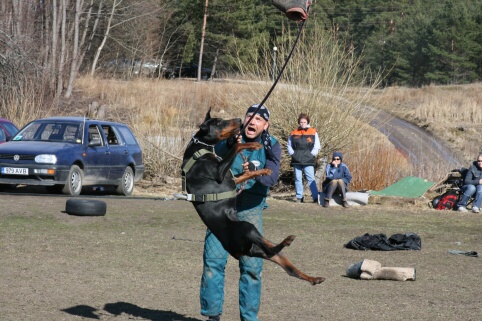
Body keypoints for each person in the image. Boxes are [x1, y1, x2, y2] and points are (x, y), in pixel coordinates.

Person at [199, 104, 282, 321]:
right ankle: (212, 316)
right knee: (213, 262)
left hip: (251, 210)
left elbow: (271, 177)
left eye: (258, 119)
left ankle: (249, 318)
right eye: (249, 117)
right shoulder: (229, 139)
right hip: (221, 210)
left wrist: (254, 174)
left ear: (265, 125)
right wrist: (229, 143)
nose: (252, 121)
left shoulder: (272, 146)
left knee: (252, 268)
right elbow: (213, 152)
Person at [287, 113, 320, 203]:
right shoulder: (294, 132)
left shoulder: (313, 132)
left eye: (304, 122)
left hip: (308, 159)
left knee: (311, 179)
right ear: (299, 122)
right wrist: (293, 154)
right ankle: (299, 196)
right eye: (301, 122)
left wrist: (312, 154)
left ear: (307, 122)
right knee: (297, 178)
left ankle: (316, 197)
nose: (302, 124)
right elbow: (289, 145)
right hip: (296, 159)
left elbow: (317, 146)